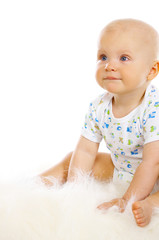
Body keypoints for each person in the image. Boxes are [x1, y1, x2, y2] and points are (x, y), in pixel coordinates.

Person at [39, 18, 159, 227]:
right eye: (103, 57)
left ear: (151, 70)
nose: (109, 65)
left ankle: (150, 203)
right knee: (72, 159)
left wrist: (127, 199)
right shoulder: (99, 107)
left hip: (155, 173)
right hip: (121, 167)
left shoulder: (153, 108)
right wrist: (77, 191)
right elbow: (86, 150)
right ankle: (35, 185)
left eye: (124, 58)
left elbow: (152, 162)